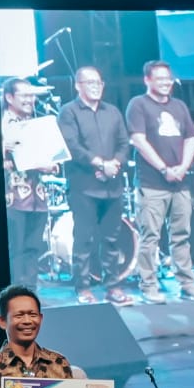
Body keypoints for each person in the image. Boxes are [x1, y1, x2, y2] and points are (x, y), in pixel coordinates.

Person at [127, 60, 194, 303]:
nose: (165, 83)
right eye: (159, 78)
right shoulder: (138, 104)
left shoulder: (179, 106)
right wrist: (164, 168)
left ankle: (187, 284)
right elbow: (139, 140)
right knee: (150, 237)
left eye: (168, 79)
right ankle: (148, 286)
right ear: (148, 80)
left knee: (182, 235)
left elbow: (190, 139)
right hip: (152, 183)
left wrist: (183, 167)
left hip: (180, 182)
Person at [57, 66, 132, 306]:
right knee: (84, 239)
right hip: (84, 186)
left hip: (113, 185)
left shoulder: (113, 112)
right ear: (78, 86)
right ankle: (83, 287)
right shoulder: (68, 112)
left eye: (99, 82)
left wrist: (115, 164)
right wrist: (99, 164)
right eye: (90, 82)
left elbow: (124, 143)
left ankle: (113, 287)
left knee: (112, 239)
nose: (96, 87)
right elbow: (72, 146)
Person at [0, 78, 57, 289]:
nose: (30, 99)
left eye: (31, 95)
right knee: (15, 248)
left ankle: (30, 291)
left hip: (37, 197)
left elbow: (53, 156)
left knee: (34, 246)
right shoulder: (1, 125)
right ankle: (15, 292)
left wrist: (52, 163)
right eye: (24, 95)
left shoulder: (37, 124)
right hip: (13, 196)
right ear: (9, 97)